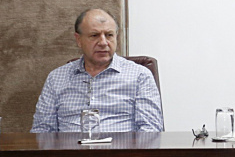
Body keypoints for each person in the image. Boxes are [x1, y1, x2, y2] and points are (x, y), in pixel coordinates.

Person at [32, 8, 164, 132]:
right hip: (70, 154)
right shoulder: (57, 78)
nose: (103, 42)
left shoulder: (139, 76)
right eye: (94, 35)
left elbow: (151, 131)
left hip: (120, 154)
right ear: (78, 40)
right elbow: (42, 131)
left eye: (109, 35)